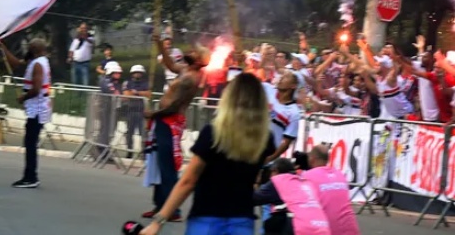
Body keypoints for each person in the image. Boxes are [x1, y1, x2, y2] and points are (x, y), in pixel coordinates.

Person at [140, 73, 276, 235]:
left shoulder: (213, 134)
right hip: (242, 219)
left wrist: (158, 221)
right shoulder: (265, 139)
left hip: (207, 219)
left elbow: (188, 181)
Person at [142, 33, 205, 222]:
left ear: (199, 61)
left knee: (167, 166)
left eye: (194, 53)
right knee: (159, 163)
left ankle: (172, 210)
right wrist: (161, 45)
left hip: (170, 121)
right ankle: (160, 205)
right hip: (163, 121)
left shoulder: (191, 78)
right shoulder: (185, 69)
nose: (190, 52)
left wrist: (154, 114)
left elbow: (175, 105)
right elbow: (170, 65)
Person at [0, 37, 51, 187]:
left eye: (30, 47)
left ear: (34, 49)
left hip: (37, 108)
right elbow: (16, 64)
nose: (28, 48)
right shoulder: (37, 61)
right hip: (35, 107)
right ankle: (29, 175)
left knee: (30, 143)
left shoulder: (39, 64)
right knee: (29, 142)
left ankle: (31, 177)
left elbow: (36, 88)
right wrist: (3, 49)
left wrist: (23, 97)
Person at [252, 158, 332, 235]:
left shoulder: (279, 180)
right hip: (323, 228)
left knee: (272, 224)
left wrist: (255, 182)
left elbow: (252, 199)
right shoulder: (305, 182)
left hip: (301, 228)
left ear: (275, 171)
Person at [302, 144, 361, 235]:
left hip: (327, 229)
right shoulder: (340, 174)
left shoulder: (307, 176)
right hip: (350, 228)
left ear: (312, 159)